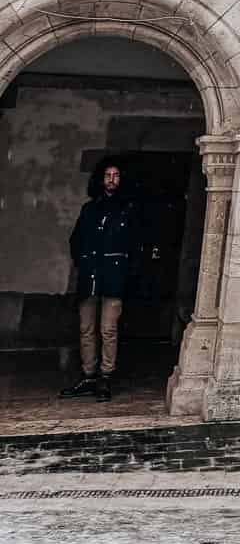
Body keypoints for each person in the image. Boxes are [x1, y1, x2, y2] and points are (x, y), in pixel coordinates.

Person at [59, 159, 141, 402]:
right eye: (108, 175)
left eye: (116, 175)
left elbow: (136, 247)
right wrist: (83, 263)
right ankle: (89, 375)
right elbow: (76, 241)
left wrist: (126, 271)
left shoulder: (128, 210)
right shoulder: (89, 209)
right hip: (90, 278)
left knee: (108, 329)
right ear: (100, 179)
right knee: (86, 329)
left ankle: (105, 376)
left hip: (114, 279)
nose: (112, 179)